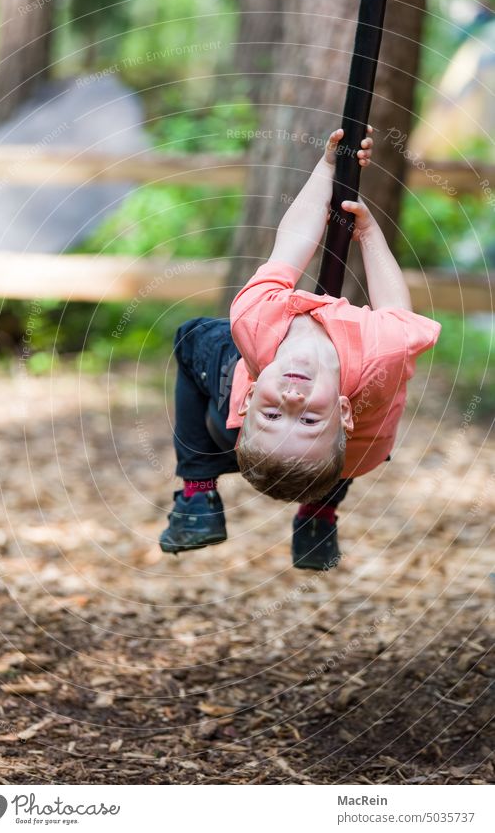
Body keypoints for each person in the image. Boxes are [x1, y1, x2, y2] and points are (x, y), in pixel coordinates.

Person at [159, 127, 441, 570]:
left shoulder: (255, 321)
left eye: (274, 412)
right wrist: (367, 234)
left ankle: (197, 492)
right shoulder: (382, 352)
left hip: (231, 434)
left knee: (195, 334)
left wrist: (328, 165)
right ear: (343, 412)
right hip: (356, 452)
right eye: (307, 416)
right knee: (339, 455)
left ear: (249, 396)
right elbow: (395, 308)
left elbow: (291, 243)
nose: (292, 398)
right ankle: (319, 512)